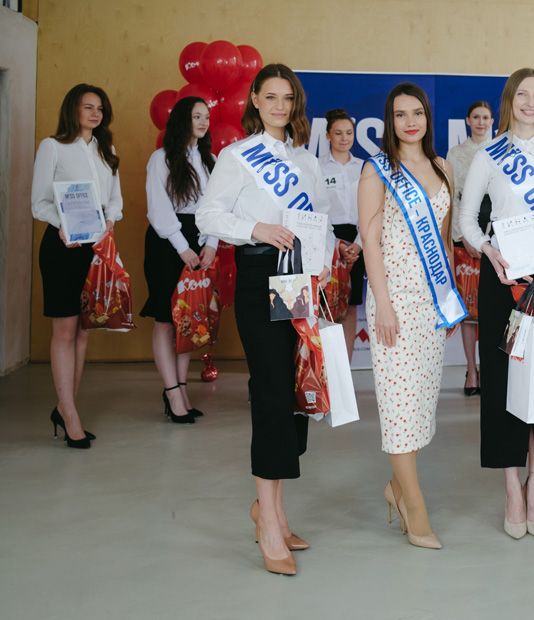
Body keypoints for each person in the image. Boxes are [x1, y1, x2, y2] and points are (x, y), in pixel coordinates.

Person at [196, 64, 334, 576]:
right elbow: (208, 216)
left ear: (296, 104)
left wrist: (324, 263)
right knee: (272, 393)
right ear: (254, 99)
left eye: (287, 98)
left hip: (298, 280)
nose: (279, 106)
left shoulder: (306, 160)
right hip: (260, 276)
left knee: (296, 396)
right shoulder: (236, 156)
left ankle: (270, 508)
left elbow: (321, 222)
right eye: (270, 96)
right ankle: (269, 523)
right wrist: (256, 228)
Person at [458, 67, 534, 540]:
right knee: (504, 385)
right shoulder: (489, 154)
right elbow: (467, 219)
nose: (531, 103)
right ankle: (511, 486)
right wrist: (487, 251)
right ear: (509, 100)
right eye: (522, 95)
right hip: (502, 281)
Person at [358, 82, 462, 550]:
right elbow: (370, 242)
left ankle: (395, 487)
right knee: (399, 406)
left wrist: (448, 299)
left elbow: (444, 239)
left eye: (417, 112)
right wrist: (381, 303)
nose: (410, 121)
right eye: (400, 115)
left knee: (419, 403)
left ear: (427, 117)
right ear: (390, 121)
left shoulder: (443, 167)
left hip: (430, 302)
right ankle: (415, 508)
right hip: (394, 301)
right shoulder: (377, 169)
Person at [31, 83, 122, 449]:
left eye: (99, 108)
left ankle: (64, 407)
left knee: (84, 330)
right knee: (65, 332)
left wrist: (110, 221)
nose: (95, 113)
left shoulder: (107, 150)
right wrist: (63, 225)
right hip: (62, 246)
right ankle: (70, 416)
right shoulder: (52, 147)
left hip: (96, 246)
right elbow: (39, 202)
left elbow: (114, 200)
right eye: (88, 107)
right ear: (73, 109)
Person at [139, 96, 217, 425]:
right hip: (167, 243)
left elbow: (217, 207)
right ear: (182, 119)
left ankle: (181, 389)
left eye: (206, 117)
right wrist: (182, 247)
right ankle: (171, 392)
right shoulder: (161, 158)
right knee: (165, 318)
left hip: (200, 239)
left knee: (189, 317)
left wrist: (211, 244)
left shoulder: (211, 160)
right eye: (197, 116)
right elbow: (158, 208)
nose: (203, 122)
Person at [447, 101, 494, 396]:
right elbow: (452, 199)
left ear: (492, 121)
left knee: (491, 308)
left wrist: (488, 240)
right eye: (475, 117)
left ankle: (489, 367)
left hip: (495, 241)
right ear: (467, 120)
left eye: (485, 117)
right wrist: (464, 236)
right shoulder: (456, 154)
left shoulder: (500, 150)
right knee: (469, 311)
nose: (480, 122)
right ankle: (472, 371)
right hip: (464, 238)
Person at [320, 108, 364, 361]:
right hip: (328, 241)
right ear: (328, 135)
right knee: (326, 306)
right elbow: (315, 210)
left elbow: (371, 211)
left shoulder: (364, 168)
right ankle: (326, 369)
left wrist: (357, 245)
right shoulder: (318, 167)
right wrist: (335, 244)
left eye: (349, 133)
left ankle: (344, 370)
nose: (344, 138)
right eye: (338, 133)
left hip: (357, 243)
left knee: (350, 307)